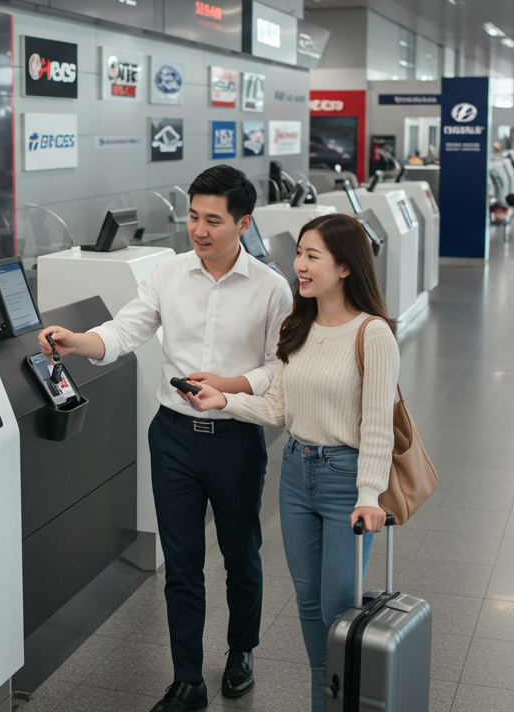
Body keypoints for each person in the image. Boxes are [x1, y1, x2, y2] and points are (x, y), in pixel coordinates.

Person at [39, 165, 293, 712]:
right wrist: (79, 341)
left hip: (235, 437)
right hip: (172, 438)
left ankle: (241, 650)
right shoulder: (168, 274)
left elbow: (280, 367)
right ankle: (187, 679)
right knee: (181, 562)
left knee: (241, 554)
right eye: (193, 217)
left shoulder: (271, 288)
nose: (199, 230)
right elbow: (126, 329)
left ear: (243, 223)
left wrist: (229, 385)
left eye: (213, 220)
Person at [178, 213, 398, 712]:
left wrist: (369, 495)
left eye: (312, 256)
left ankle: (336, 699)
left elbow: (377, 425)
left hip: (346, 479)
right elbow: (279, 407)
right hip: (296, 474)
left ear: (346, 267)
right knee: (308, 603)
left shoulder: (373, 334)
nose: (299, 265)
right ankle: (327, 696)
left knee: (338, 607)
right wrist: (224, 401)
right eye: (299, 252)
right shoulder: (299, 325)